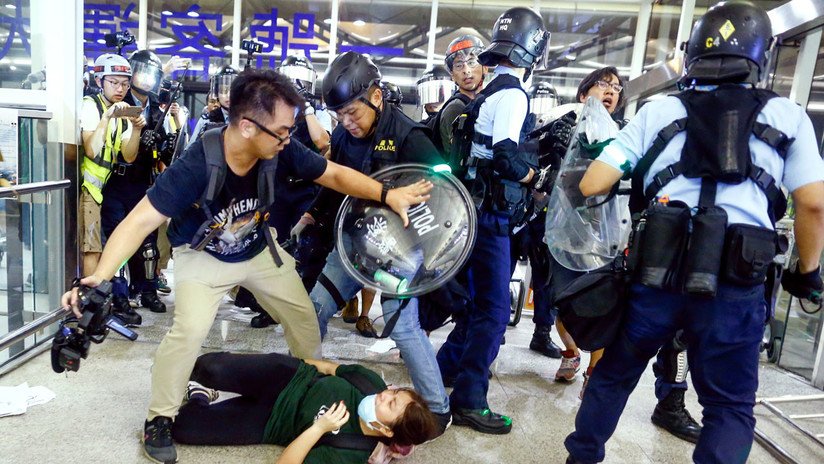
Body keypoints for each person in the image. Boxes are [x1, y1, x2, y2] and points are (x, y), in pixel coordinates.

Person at [62, 68, 434, 464]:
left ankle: (304, 390)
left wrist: (387, 195)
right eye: (282, 132)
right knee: (188, 332)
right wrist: (100, 276)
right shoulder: (197, 164)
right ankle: (159, 417)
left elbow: (333, 174)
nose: (288, 139)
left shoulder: (281, 147)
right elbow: (138, 221)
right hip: (203, 255)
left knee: (304, 318)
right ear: (246, 126)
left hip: (258, 250)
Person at [564, 2, 824, 463]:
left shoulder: (659, 111)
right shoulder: (787, 115)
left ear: (693, 55)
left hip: (656, 274)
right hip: (736, 283)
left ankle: (582, 457)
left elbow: (593, 183)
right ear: (760, 55)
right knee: (728, 405)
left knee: (615, 376)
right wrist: (807, 272)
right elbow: (814, 203)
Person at [294, 51, 453, 435]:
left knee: (402, 326)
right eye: (339, 115)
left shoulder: (410, 137)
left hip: (402, 252)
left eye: (352, 112)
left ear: (376, 97)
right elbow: (336, 182)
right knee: (314, 308)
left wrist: (429, 255)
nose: (347, 122)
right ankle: (301, 380)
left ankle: (437, 408)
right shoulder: (343, 137)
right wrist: (312, 214)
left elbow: (445, 194)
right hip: (356, 243)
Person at [436, 7, 549, 435]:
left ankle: (444, 371)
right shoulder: (514, 94)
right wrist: (536, 176)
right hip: (491, 216)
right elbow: (503, 156)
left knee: (478, 304)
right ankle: (469, 399)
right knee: (495, 312)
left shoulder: (488, 93)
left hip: (474, 210)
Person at [171, 352, 440, 464]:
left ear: (387, 430)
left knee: (184, 428)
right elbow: (326, 367)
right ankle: (217, 382)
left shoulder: (352, 451)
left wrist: (319, 428)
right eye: (393, 392)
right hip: (288, 378)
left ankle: (201, 396)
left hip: (273, 422)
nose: (384, 394)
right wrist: (285, 362)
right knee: (208, 367)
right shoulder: (369, 383)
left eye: (391, 403)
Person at [98, 49, 168, 315]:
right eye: (141, 72)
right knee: (117, 238)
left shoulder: (157, 106)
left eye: (151, 74)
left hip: (144, 182)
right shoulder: (118, 101)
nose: (145, 79)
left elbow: (164, 149)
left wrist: (163, 143)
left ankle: (147, 290)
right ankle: (119, 297)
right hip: (117, 181)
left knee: (148, 241)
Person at [78, 54, 143, 326]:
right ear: (99, 81)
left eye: (125, 84)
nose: (120, 88)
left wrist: (136, 129)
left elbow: (129, 155)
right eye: (114, 82)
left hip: (102, 191)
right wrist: (106, 118)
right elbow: (91, 150)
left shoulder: (123, 113)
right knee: (92, 250)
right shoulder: (90, 105)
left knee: (104, 247)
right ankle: (91, 312)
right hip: (86, 189)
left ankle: (99, 306)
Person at [432, 34, 486, 158]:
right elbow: (458, 156)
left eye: (472, 62)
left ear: (485, 67)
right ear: (452, 74)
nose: (466, 70)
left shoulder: (486, 103)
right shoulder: (456, 108)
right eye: (458, 65)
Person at [188, 64, 237, 146]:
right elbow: (190, 149)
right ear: (217, 93)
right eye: (223, 90)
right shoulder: (207, 120)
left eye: (233, 90)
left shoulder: (247, 120)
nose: (228, 95)